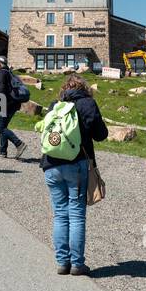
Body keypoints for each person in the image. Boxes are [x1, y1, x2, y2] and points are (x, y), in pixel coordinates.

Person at [39, 74, 108, 276]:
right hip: (76, 165)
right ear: (84, 88)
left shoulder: (55, 105)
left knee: (60, 214)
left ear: (65, 89)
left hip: (51, 165)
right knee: (76, 215)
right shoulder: (88, 104)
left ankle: (62, 262)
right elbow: (101, 135)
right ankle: (77, 264)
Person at [0, 56, 27, 159]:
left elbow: (0, 89)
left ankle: (19, 144)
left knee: (1, 127)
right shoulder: (8, 72)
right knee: (3, 126)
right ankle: (2, 150)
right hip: (13, 103)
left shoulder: (0, 73)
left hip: (5, 103)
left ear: (0, 63)